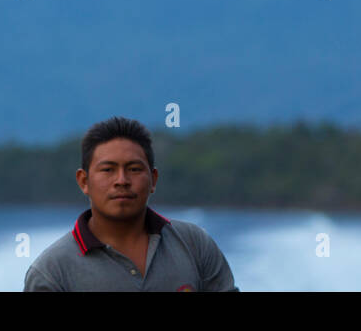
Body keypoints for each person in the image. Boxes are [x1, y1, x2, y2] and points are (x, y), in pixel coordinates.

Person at [23, 116, 239, 291]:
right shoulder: (53, 272)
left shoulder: (194, 245)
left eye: (134, 169)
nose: (122, 181)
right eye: (108, 170)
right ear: (84, 181)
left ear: (153, 179)